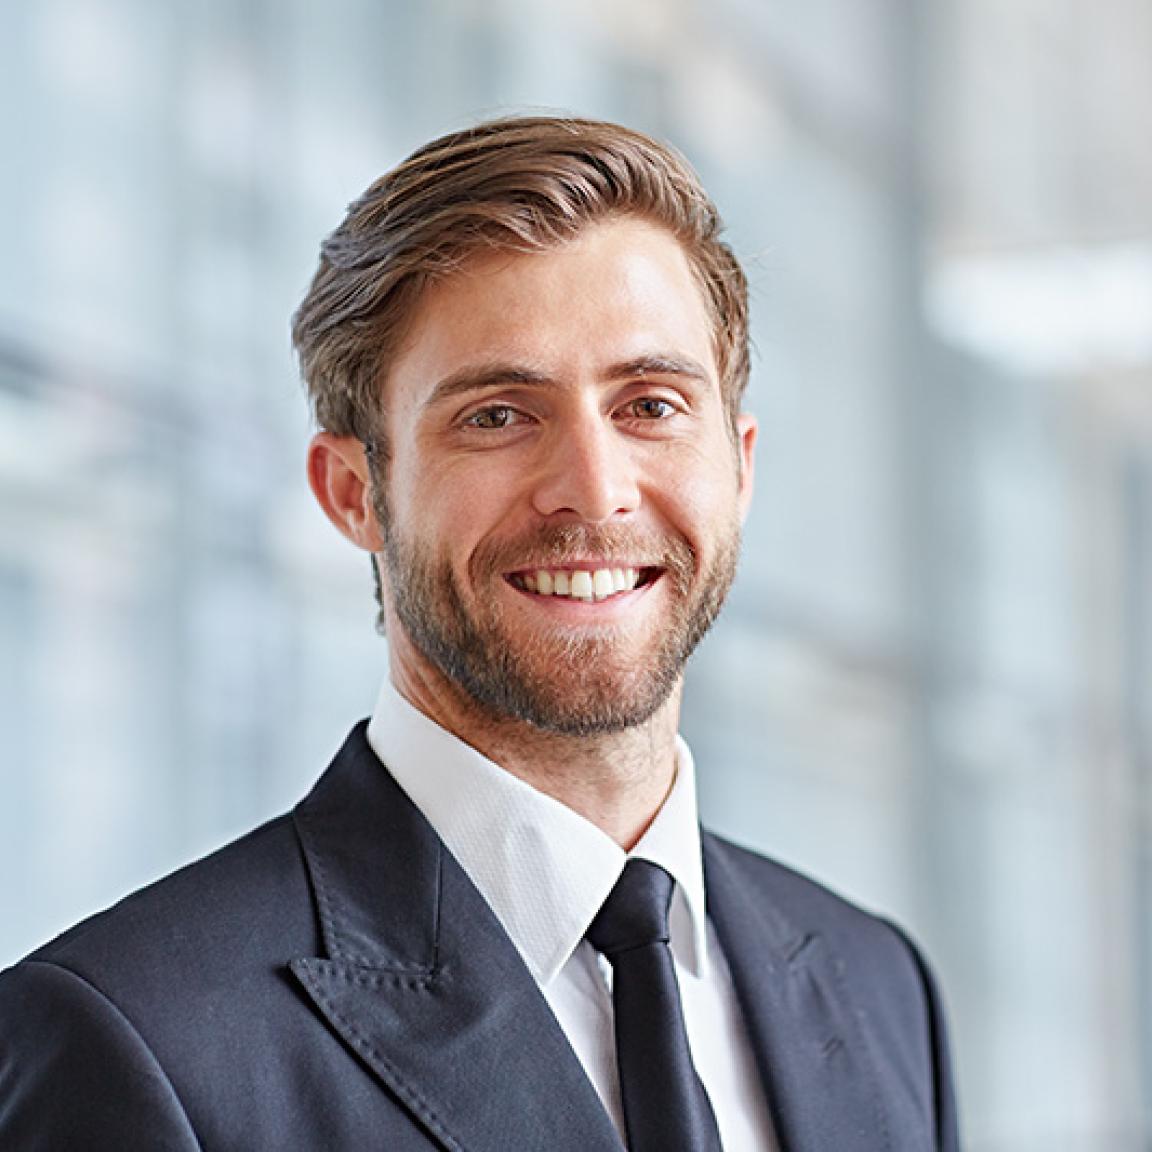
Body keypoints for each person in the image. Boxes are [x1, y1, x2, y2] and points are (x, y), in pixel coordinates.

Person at [0, 116, 959, 1150]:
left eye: (650, 405)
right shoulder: (134, 1039)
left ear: (741, 465)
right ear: (355, 493)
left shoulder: (880, 985)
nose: (593, 488)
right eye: (497, 415)